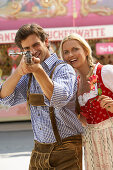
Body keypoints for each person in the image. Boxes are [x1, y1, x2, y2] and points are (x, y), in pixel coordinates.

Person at [0, 24, 84, 170]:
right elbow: (5, 98)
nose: (32, 51)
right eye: (26, 49)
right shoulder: (28, 75)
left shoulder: (63, 69)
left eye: (36, 45)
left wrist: (38, 71)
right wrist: (19, 72)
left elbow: (58, 99)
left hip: (66, 149)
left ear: (46, 41)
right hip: (39, 150)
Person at [60, 33, 113, 170]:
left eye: (75, 49)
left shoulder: (105, 72)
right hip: (92, 143)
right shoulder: (73, 85)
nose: (70, 54)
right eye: (66, 52)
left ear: (85, 50)